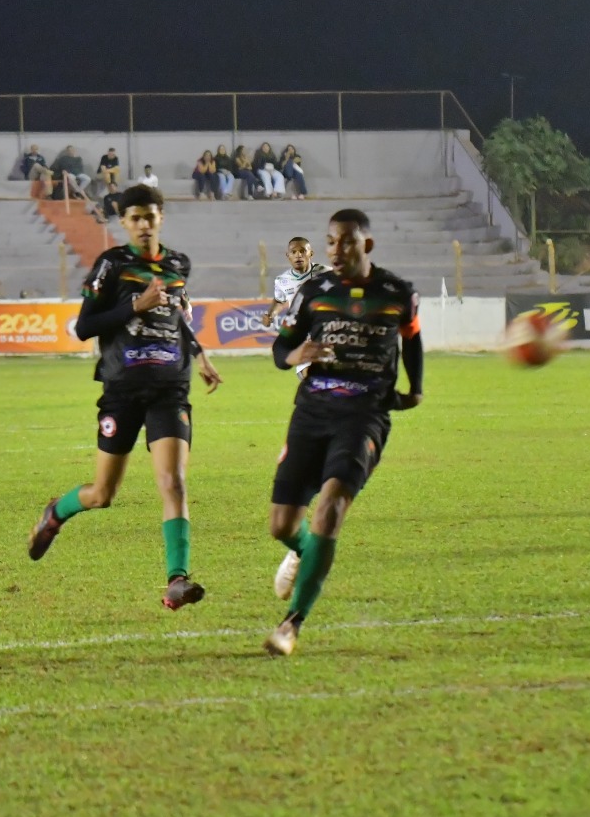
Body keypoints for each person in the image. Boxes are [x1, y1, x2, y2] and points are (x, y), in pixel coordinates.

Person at [25, 183, 224, 610]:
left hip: (171, 388)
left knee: (173, 482)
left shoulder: (176, 264)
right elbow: (83, 327)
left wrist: (201, 354)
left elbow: (176, 316)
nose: (144, 225)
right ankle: (56, 513)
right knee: (103, 493)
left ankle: (177, 579)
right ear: (124, 222)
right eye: (135, 218)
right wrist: (136, 305)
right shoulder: (111, 266)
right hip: (122, 389)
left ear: (161, 218)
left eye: (150, 217)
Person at [263, 209, 422, 656]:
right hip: (312, 413)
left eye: (346, 242)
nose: (336, 249)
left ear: (365, 245)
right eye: (331, 241)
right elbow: (280, 349)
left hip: (364, 416)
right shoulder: (313, 292)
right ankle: (304, 551)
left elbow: (413, 339)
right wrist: (298, 353)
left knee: (331, 507)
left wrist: (416, 388)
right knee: (281, 526)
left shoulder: (396, 292)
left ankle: (291, 625)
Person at [262, 237, 329, 328]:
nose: (298, 255)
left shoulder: (325, 272)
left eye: (302, 251)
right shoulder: (282, 280)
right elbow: (279, 300)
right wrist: (270, 315)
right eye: (293, 252)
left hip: (321, 325)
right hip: (299, 327)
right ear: (288, 255)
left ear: (311, 254)